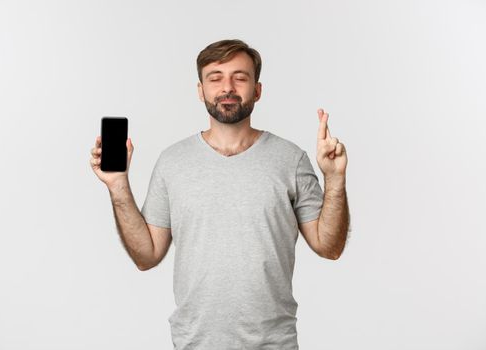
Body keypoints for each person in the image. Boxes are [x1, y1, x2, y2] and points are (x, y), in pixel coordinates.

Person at [90, 39, 350, 350]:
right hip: (194, 343)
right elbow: (146, 256)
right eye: (215, 78)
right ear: (201, 90)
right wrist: (118, 185)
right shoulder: (172, 162)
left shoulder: (290, 159)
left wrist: (334, 178)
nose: (227, 87)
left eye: (240, 77)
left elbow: (329, 247)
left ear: (257, 90)